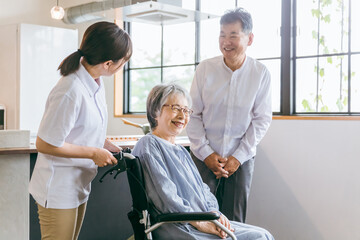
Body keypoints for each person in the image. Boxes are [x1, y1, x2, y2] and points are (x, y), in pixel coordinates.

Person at [29, 21, 132, 240]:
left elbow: (83, 127)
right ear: (108, 63)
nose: (123, 66)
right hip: (58, 188)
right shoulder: (70, 89)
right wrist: (93, 153)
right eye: (123, 62)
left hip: (78, 183)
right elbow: (46, 143)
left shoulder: (95, 82)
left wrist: (105, 145)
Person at [132, 83, 274, 240]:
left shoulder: (180, 151)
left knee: (263, 234)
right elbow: (165, 197)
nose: (182, 116)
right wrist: (199, 222)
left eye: (186, 110)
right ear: (155, 111)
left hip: (200, 221)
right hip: (179, 226)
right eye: (176, 108)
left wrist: (215, 214)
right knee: (258, 238)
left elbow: (202, 190)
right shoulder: (149, 145)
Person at [186, 7, 272, 223]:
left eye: (233, 35)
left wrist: (238, 157)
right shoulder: (205, 69)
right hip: (203, 157)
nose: (226, 41)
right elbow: (192, 114)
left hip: (240, 159)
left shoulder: (260, 73)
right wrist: (206, 153)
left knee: (234, 221)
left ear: (249, 38)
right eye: (222, 35)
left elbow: (261, 119)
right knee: (201, 218)